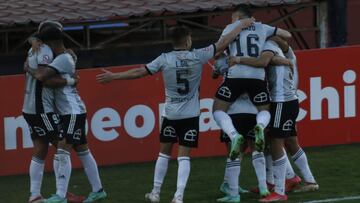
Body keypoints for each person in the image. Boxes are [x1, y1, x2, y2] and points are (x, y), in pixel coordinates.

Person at [96, 18, 254, 203]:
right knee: (183, 157)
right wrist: (240, 26)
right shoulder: (198, 56)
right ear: (187, 40)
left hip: (171, 114)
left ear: (173, 41)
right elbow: (223, 43)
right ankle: (178, 196)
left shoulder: (164, 59)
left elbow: (139, 72)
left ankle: (155, 192)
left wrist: (114, 76)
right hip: (190, 115)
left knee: (164, 153)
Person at [25, 21, 107, 203]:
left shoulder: (63, 59)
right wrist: (32, 41)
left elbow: (42, 78)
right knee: (82, 150)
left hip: (72, 111)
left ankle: (60, 196)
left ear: (50, 42)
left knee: (62, 147)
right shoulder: (61, 55)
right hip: (70, 110)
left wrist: (28, 68)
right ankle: (98, 190)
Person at [233, 36, 318, 202]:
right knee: (290, 141)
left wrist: (238, 59)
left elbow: (264, 61)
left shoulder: (268, 47)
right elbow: (284, 50)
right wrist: (281, 59)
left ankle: (279, 190)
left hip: (281, 102)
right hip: (288, 100)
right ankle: (307, 180)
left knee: (274, 142)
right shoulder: (285, 52)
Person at [212, 6, 292, 167]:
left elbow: (219, 47)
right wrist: (270, 36)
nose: (231, 21)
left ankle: (233, 135)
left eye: (233, 18)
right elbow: (287, 34)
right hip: (257, 77)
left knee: (218, 110)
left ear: (240, 17)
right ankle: (260, 126)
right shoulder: (263, 27)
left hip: (236, 76)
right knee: (264, 111)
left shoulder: (231, 28)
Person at [23, 31, 85, 203]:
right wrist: (71, 81)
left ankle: (34, 195)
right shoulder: (45, 52)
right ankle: (62, 194)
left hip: (30, 107)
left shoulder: (34, 48)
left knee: (41, 149)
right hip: (40, 108)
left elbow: (29, 67)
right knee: (63, 145)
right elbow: (44, 78)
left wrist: (32, 41)